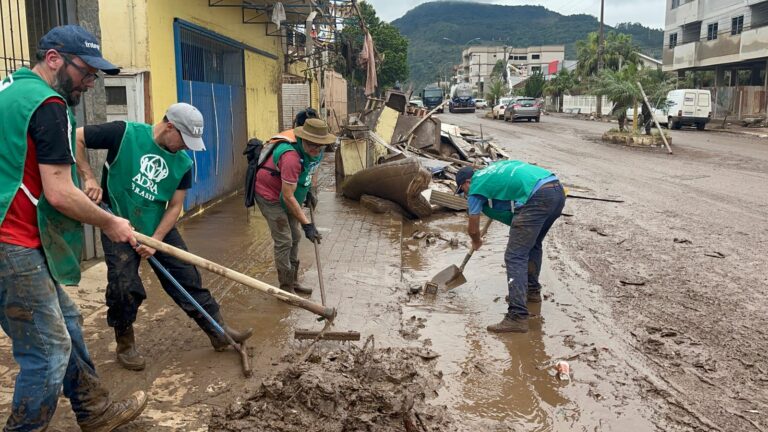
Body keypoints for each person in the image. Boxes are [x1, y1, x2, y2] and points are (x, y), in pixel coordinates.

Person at [0, 25, 147, 431]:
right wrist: (112, 222)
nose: (90, 82)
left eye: (94, 75)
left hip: (15, 237)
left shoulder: (10, 90)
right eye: (85, 72)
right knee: (47, 350)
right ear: (54, 60)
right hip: (11, 241)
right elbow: (60, 193)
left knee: (66, 323)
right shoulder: (47, 104)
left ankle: (93, 408)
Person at [74, 103, 253, 371]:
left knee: (187, 277)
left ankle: (218, 331)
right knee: (123, 285)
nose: (186, 147)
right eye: (184, 139)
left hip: (158, 225)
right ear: (170, 126)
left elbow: (174, 207)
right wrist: (88, 177)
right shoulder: (124, 133)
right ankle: (125, 343)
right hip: (118, 221)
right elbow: (75, 135)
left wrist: (155, 240)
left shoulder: (183, 163)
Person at [455, 160, 566, 333]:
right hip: (556, 191)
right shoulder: (491, 172)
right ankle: (532, 292)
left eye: (462, 189)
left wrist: (476, 241)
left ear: (467, 182)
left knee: (515, 255)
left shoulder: (475, 188)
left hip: (537, 197)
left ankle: (517, 316)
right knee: (533, 244)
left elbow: (473, 228)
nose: (465, 194)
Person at [254, 116, 336, 295]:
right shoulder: (290, 157)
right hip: (269, 194)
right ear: (303, 139)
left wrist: (309, 192)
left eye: (319, 145)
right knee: (284, 239)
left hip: (287, 191)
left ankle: (294, 281)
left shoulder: (317, 151)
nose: (316, 150)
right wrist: (308, 224)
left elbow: (309, 171)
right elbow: (288, 196)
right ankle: (286, 288)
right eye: (312, 145)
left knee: (295, 236)